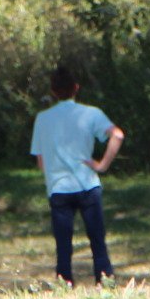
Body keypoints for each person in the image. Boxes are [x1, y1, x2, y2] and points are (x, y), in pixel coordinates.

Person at [29, 64, 124, 286]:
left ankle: (65, 283)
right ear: (76, 88)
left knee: (63, 243)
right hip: (88, 184)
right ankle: (104, 281)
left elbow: (41, 162)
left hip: (59, 188)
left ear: (53, 91)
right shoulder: (91, 113)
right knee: (97, 240)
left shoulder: (43, 119)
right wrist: (102, 165)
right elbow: (117, 135)